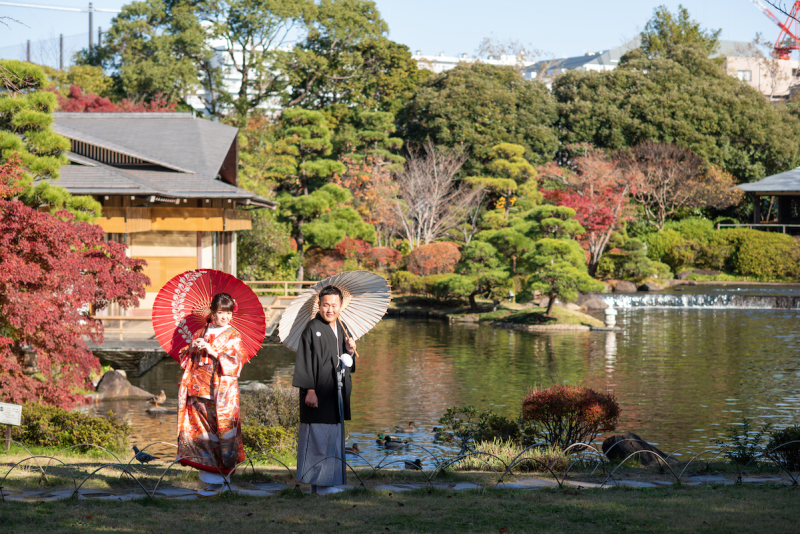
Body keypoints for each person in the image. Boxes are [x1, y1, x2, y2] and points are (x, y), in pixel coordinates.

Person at [176, 292, 248, 496]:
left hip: (220, 392)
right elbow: (184, 356)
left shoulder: (233, 335)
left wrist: (213, 351)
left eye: (228, 313)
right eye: (221, 312)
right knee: (203, 436)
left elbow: (237, 362)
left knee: (220, 435)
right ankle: (210, 481)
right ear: (212, 312)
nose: (225, 317)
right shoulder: (201, 331)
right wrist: (192, 347)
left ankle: (220, 481)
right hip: (197, 389)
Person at [292, 285, 356, 495]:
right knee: (318, 437)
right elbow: (304, 361)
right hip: (318, 390)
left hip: (335, 392)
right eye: (326, 305)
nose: (330, 309)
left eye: (334, 305)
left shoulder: (342, 328)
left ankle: (324, 483)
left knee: (332, 438)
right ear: (319, 305)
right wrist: (310, 390)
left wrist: (350, 352)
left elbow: (346, 364)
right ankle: (320, 485)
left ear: (341, 306)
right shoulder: (312, 328)